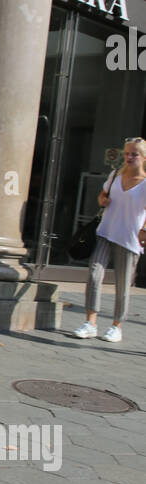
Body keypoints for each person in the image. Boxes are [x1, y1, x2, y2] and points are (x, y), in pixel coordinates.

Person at [74, 137, 146, 343]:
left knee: (122, 285)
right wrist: (102, 200)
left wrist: (144, 230)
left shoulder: (145, 184)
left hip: (129, 238)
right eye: (127, 153)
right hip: (105, 232)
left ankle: (116, 326)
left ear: (143, 157)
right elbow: (102, 195)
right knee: (95, 275)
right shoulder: (115, 175)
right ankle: (90, 323)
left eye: (134, 154)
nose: (129, 157)